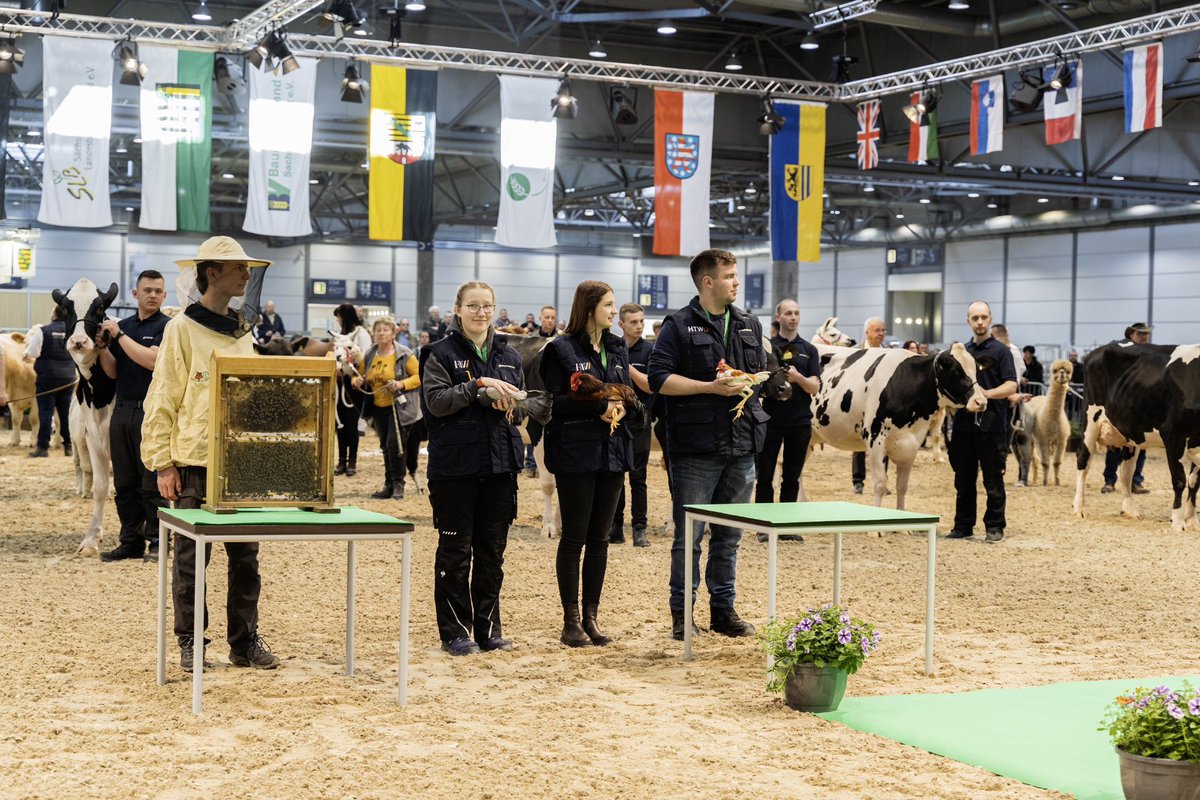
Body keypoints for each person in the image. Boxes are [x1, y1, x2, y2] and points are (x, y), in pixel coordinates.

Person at [141, 235, 280, 670]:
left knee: (246, 559)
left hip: (239, 463)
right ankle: (190, 642)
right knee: (190, 560)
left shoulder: (242, 331)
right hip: (194, 460)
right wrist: (162, 461)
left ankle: (244, 641)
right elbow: (162, 396)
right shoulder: (180, 328)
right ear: (211, 274)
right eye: (238, 269)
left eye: (247, 269)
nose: (246, 275)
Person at [648, 248, 766, 641]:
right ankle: (682, 615)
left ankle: (722, 610)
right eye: (730, 275)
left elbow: (758, 370)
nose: (736, 281)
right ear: (708, 282)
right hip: (695, 448)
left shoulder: (749, 323)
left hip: (742, 443)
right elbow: (659, 378)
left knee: (730, 535)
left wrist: (764, 381)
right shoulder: (679, 326)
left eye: (736, 274)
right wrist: (709, 388)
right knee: (689, 538)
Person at [419, 281, 527, 656]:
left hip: (500, 467)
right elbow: (435, 402)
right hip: (455, 468)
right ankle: (455, 632)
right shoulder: (439, 353)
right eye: (473, 306)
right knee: (454, 552)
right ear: (458, 309)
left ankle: (489, 628)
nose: (481, 312)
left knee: (492, 553)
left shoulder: (510, 356)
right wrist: (476, 386)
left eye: (487, 306)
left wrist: (513, 406)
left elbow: (519, 410)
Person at [542, 282, 643, 647]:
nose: (614, 312)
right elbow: (554, 400)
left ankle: (591, 617)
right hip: (575, 452)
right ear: (588, 308)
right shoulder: (560, 350)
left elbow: (624, 391)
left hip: (614, 452)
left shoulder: (617, 347)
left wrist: (622, 406)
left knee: (600, 539)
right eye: (609, 305)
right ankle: (570, 621)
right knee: (574, 537)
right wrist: (598, 407)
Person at [95, 269, 170, 562]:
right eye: (147, 290)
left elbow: (152, 361)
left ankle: (158, 542)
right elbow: (113, 370)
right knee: (124, 482)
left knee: (151, 482)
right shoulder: (121, 326)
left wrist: (119, 335)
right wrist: (103, 347)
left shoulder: (168, 326)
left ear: (164, 296)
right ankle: (130, 541)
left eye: (158, 291)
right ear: (136, 294)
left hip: (152, 411)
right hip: (122, 409)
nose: (153, 295)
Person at [947, 301, 1018, 544]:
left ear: (990, 320)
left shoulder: (1001, 351)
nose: (979, 322)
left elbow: (1011, 385)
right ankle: (963, 525)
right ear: (968, 321)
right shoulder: (961, 352)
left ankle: (995, 526)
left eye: (984, 317)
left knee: (993, 479)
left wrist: (985, 394)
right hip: (964, 425)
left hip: (992, 425)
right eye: (975, 318)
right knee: (963, 478)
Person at [755, 300, 820, 542]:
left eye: (796, 313)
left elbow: (814, 386)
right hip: (771, 420)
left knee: (792, 476)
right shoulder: (767, 348)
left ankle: (787, 525)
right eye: (788, 313)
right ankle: (763, 526)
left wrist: (797, 377)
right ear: (778, 317)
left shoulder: (809, 350)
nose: (793, 317)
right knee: (765, 475)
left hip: (800, 421)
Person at [355, 317, 420, 500]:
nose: (381, 333)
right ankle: (389, 484)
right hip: (378, 407)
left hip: (399, 407)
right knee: (385, 446)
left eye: (385, 330)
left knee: (395, 444)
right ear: (373, 334)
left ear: (393, 333)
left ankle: (399, 484)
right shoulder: (370, 354)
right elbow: (358, 375)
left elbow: (419, 376)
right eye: (378, 330)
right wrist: (357, 381)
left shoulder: (404, 354)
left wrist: (400, 384)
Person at [610, 302, 653, 548]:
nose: (639, 326)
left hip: (640, 423)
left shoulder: (651, 351)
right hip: (616, 421)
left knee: (638, 477)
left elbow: (649, 385)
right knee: (616, 475)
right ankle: (616, 527)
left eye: (641, 321)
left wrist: (627, 368)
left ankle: (640, 528)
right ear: (622, 324)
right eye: (634, 322)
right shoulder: (613, 348)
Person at [1102, 323, 1153, 494]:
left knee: (1140, 444)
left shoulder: (1150, 355)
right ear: (1131, 334)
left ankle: (1135, 481)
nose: (1145, 337)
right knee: (1115, 443)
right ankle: (1109, 480)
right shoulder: (1119, 352)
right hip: (1119, 405)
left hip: (1142, 406)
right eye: (1141, 334)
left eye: (1146, 334)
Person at [24, 306, 75, 458]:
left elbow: (34, 352)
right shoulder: (72, 331)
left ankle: (42, 448)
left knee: (46, 413)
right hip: (68, 378)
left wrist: (26, 353)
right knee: (65, 413)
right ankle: (68, 447)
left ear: (53, 314)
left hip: (47, 377)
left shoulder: (43, 330)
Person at [333, 303, 372, 477]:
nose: (338, 321)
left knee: (351, 423)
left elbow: (365, 355)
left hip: (355, 383)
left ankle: (352, 461)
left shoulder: (361, 334)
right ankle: (341, 460)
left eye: (339, 317)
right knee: (339, 423)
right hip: (340, 382)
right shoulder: (340, 336)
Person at [851, 317, 887, 493]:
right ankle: (858, 481)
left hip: (882, 404)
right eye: (877, 330)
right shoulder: (854, 352)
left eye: (883, 330)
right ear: (867, 333)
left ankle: (882, 480)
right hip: (859, 402)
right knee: (859, 442)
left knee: (884, 442)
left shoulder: (889, 353)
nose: (881, 334)